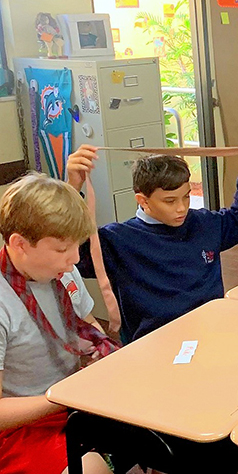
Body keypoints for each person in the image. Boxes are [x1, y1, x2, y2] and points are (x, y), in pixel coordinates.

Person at [67, 143, 238, 342]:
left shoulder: (203, 224)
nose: (181, 208)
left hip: (211, 331)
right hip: (154, 346)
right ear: (143, 200)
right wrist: (72, 189)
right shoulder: (117, 241)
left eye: (186, 197)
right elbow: (69, 254)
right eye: (170, 201)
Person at [0, 174, 112, 474]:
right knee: (91, 470)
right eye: (63, 249)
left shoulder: (58, 269)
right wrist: (62, 398)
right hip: (23, 426)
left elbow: (87, 324)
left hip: (72, 404)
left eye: (78, 246)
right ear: (19, 244)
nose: (74, 260)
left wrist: (99, 354)